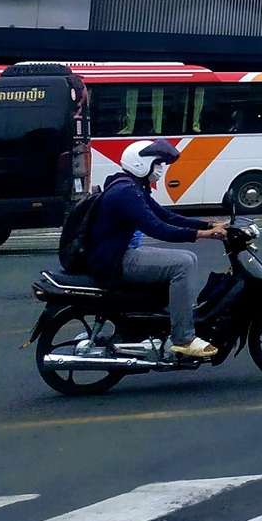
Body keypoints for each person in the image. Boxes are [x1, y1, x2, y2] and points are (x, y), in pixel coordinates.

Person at [86, 140, 227, 360]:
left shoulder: (130, 186)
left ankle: (171, 318)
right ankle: (184, 338)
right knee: (184, 264)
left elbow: (166, 215)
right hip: (117, 260)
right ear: (142, 164)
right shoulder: (126, 193)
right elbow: (158, 228)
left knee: (188, 258)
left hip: (117, 254)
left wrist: (207, 224)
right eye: (158, 163)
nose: (161, 169)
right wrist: (203, 235)